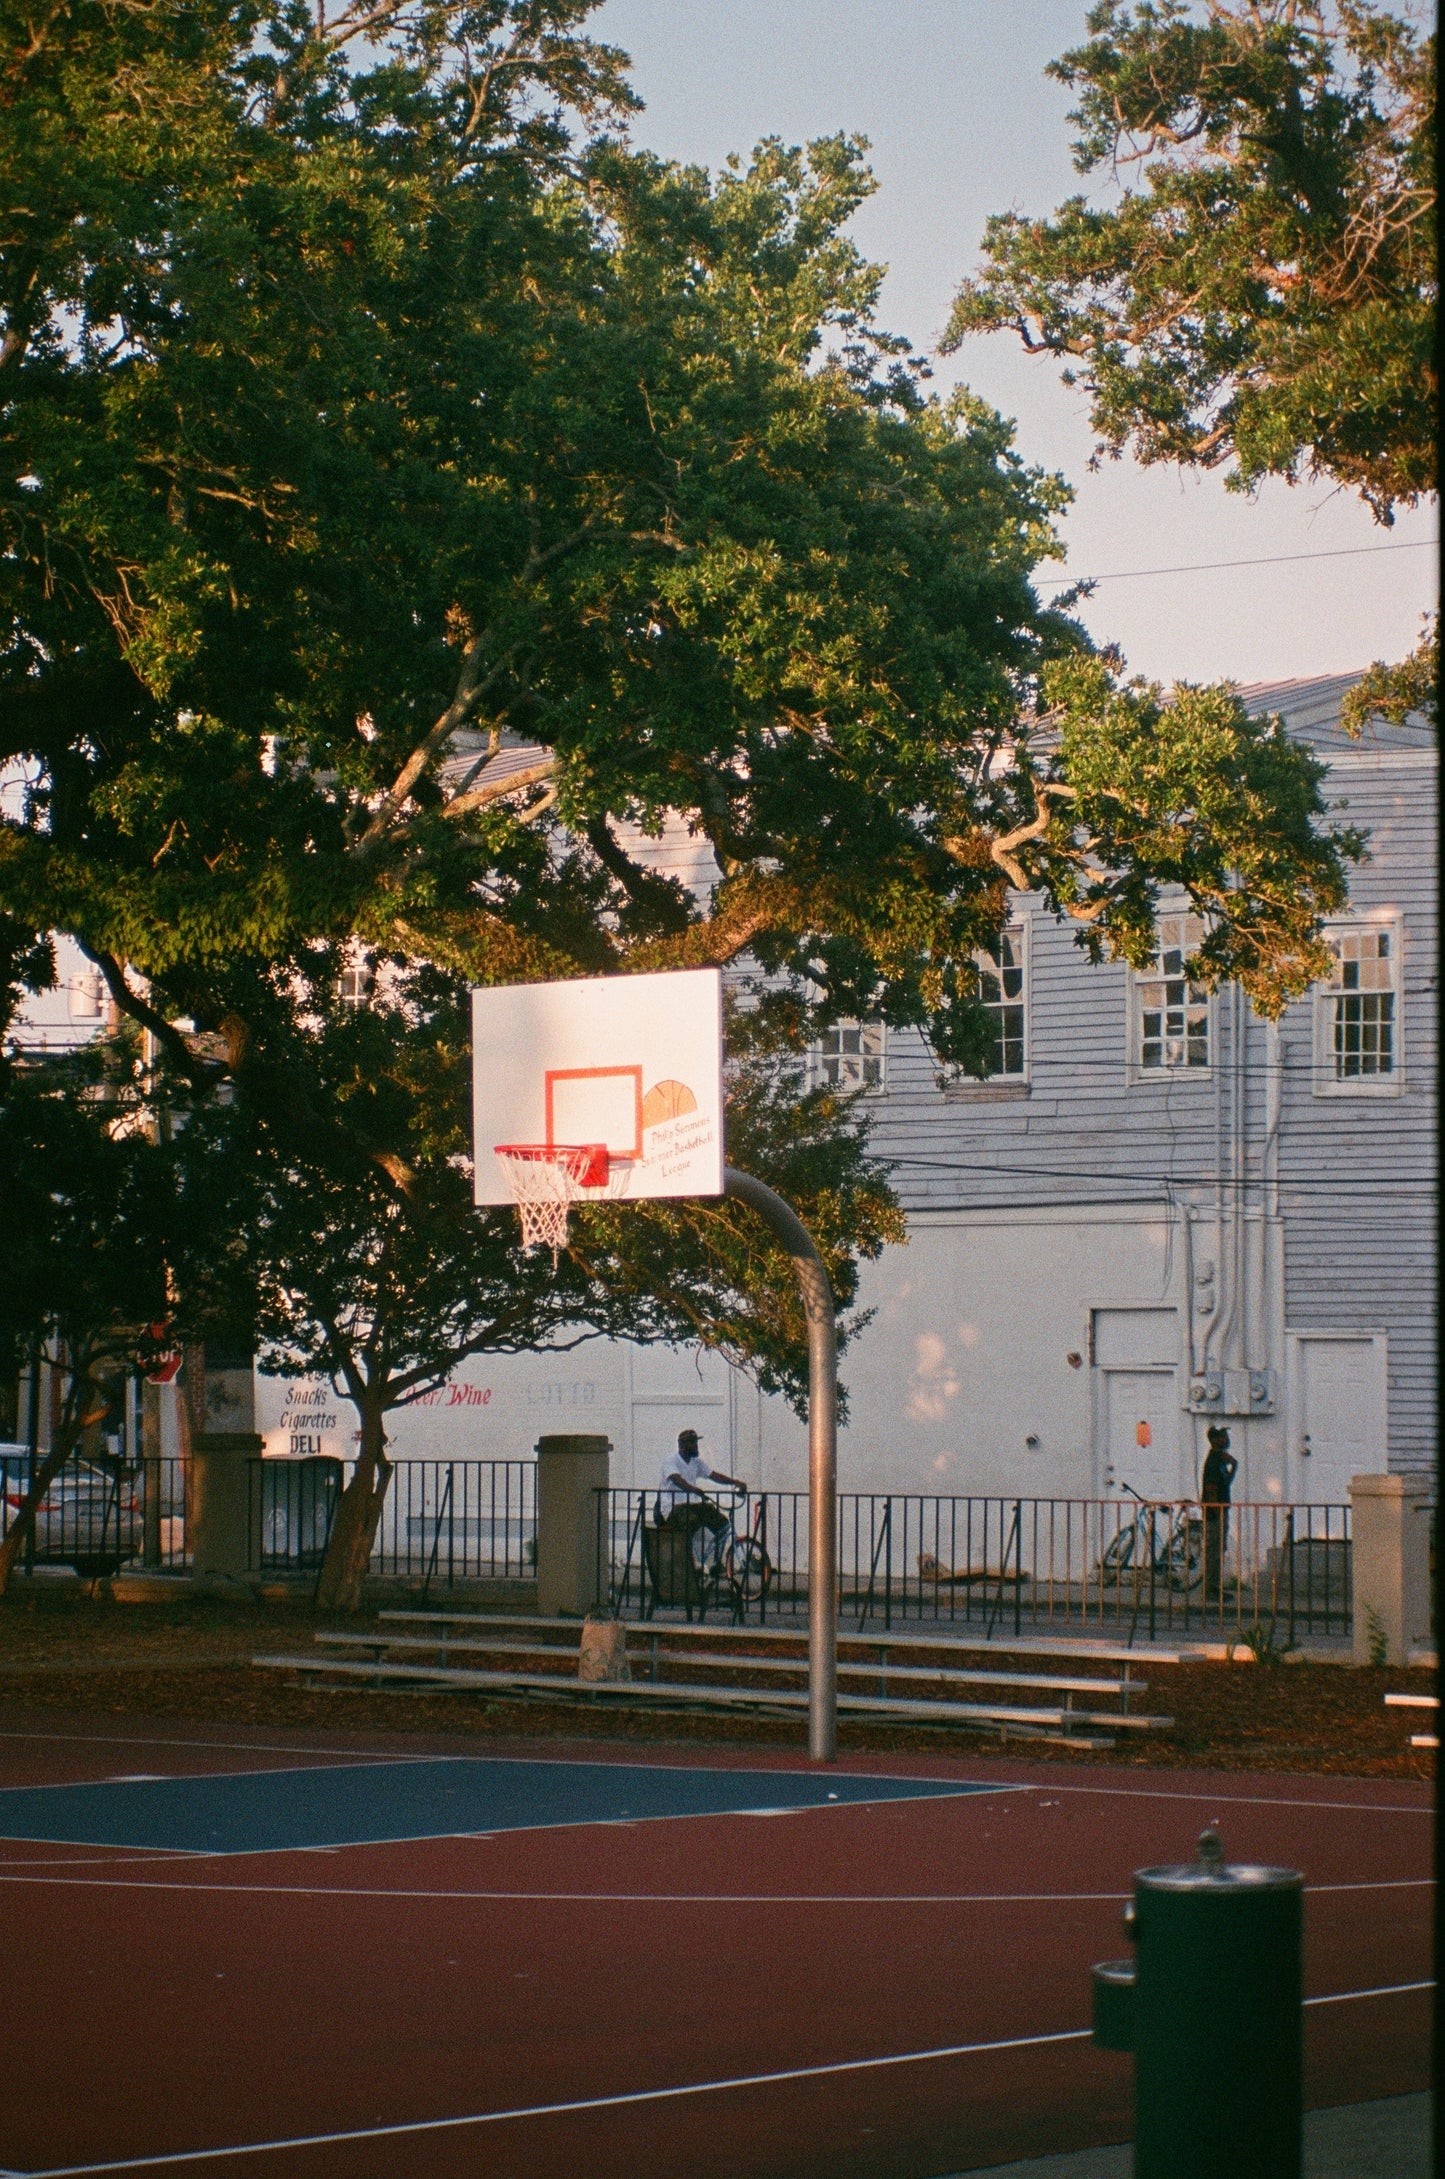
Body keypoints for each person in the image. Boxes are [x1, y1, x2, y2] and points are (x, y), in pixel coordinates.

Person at [1199, 1424, 1238, 1607]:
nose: (1226, 1440)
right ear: (1215, 1440)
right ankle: (1211, 1590)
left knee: (1218, 1549)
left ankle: (1215, 1587)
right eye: (1222, 1436)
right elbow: (1211, 1488)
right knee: (1213, 1551)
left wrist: (1233, 1466)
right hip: (1215, 1512)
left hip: (1221, 1509)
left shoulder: (1221, 1460)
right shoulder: (1214, 1460)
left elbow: (1226, 1483)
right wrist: (1215, 1511)